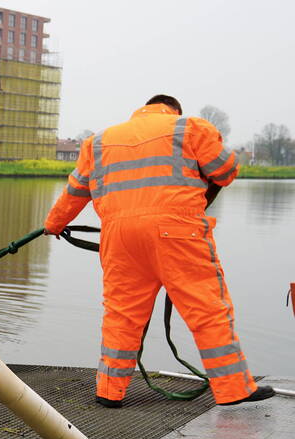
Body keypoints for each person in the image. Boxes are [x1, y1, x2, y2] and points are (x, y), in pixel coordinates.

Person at [44, 94, 273, 408]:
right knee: (207, 310)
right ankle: (234, 389)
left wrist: (54, 224)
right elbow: (225, 171)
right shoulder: (190, 128)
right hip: (178, 234)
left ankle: (109, 392)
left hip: (120, 239)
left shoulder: (98, 142)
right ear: (174, 110)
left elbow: (75, 191)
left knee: (121, 316)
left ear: (142, 110)